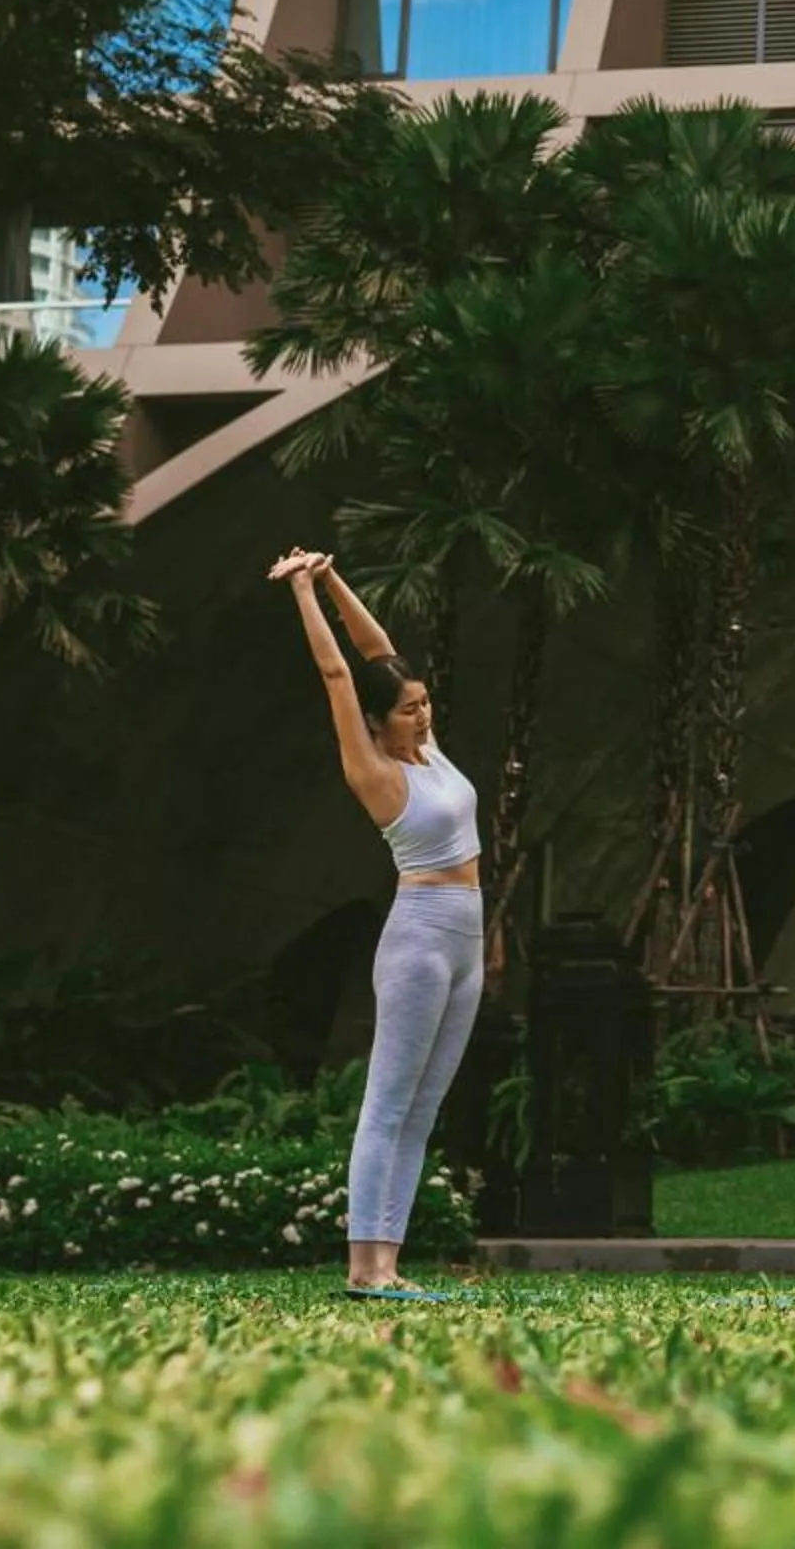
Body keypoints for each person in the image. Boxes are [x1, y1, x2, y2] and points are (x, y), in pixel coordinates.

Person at [271, 547, 484, 1300]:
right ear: (376, 722)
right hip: (421, 937)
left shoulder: (429, 752)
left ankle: (387, 1264)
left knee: (423, 1109)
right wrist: (301, 590)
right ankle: (366, 1268)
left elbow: (376, 653)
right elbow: (341, 673)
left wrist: (331, 577)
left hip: (467, 940)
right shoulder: (375, 769)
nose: (423, 714)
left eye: (424, 702)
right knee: (389, 1104)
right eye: (408, 708)